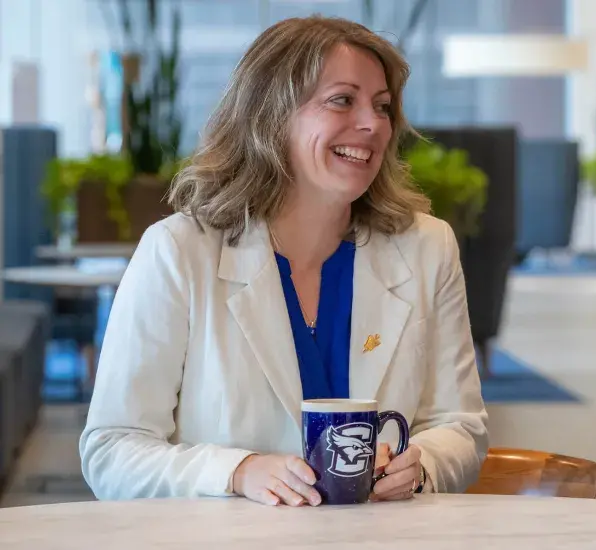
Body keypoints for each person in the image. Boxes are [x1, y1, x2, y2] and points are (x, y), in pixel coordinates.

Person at [79, 16, 488, 506]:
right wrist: (236, 472)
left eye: (382, 107)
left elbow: (459, 425)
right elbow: (113, 449)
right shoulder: (178, 252)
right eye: (343, 100)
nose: (373, 124)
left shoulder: (428, 248)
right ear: (271, 117)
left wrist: (420, 466)